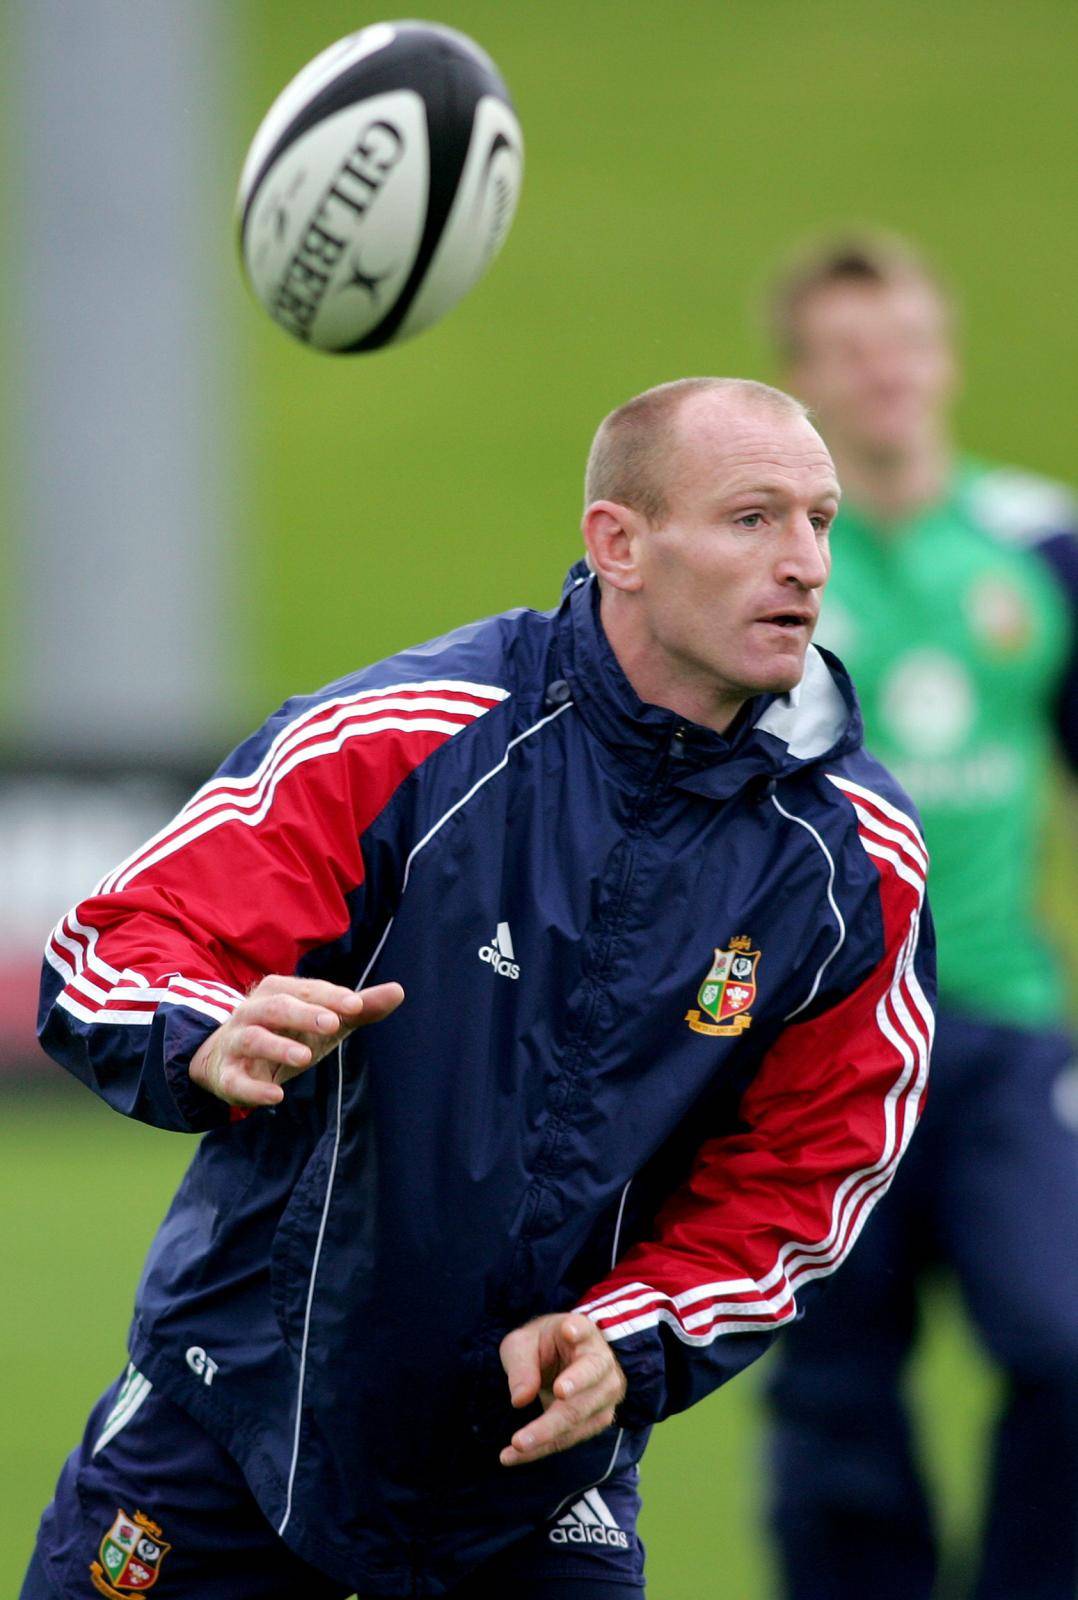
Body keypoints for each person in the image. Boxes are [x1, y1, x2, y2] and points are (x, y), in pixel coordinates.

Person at [25, 377, 934, 1600]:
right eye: (752, 518)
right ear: (618, 543)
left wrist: (635, 1333)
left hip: (537, 1483)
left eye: (819, 520)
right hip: (234, 1422)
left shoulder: (855, 860)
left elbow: (808, 1174)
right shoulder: (408, 736)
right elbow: (122, 940)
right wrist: (202, 1030)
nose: (805, 563)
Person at [762, 237, 1078, 1600]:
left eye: (904, 339)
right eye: (849, 348)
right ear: (803, 383)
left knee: (1063, 1347)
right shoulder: (767, 575)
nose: (883, 369)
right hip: (821, 1048)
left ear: (942, 358)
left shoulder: (1039, 547)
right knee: (836, 1406)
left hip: (1003, 1028)